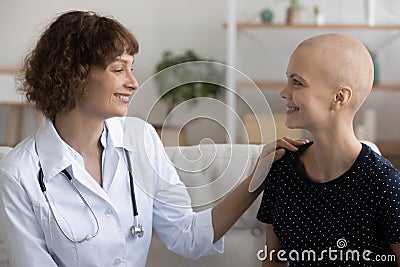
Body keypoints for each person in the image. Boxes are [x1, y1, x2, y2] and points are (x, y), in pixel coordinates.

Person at [0, 10, 307, 267]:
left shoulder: (141, 139)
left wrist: (258, 175)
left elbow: (188, 237)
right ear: (74, 75)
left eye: (131, 69)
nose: (133, 83)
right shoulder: (19, 173)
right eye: (118, 69)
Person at [256, 33, 400, 266]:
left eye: (297, 82)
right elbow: (272, 260)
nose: (284, 92)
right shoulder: (281, 168)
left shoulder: (384, 183)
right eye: (287, 80)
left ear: (339, 97)